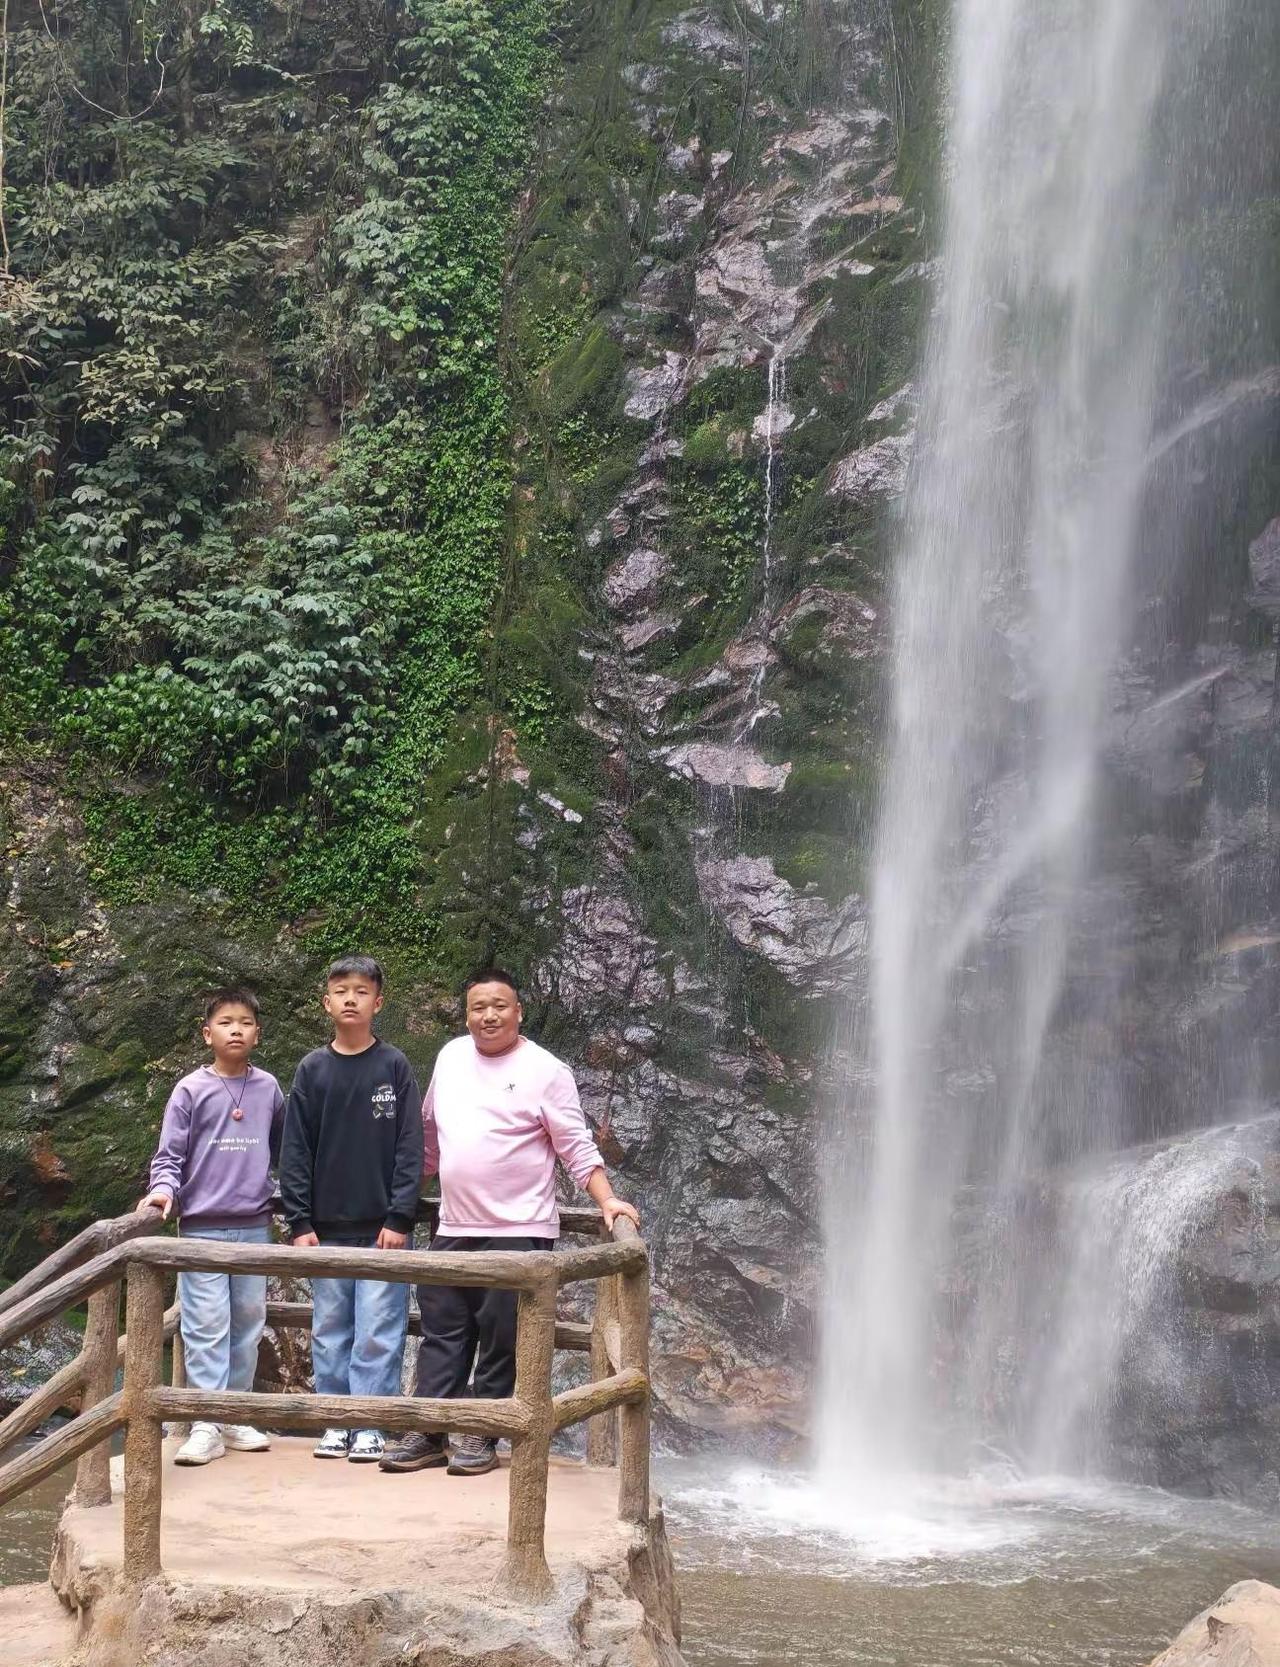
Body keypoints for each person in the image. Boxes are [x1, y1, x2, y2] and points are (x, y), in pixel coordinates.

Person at [380, 967, 639, 1478]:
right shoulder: (451, 1057)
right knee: (442, 1331)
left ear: (518, 1011)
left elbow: (574, 1145)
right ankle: (428, 1431)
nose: (489, 1015)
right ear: (466, 1015)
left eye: (499, 1005)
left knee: (501, 1336)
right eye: (478, 1007)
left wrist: (608, 1200)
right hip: (454, 1225)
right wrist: (396, 1203)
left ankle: (482, 1432)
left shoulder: (546, 1070)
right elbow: (429, 1139)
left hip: (519, 1228)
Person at [280, 954, 423, 1464]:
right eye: (341, 991)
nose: (350, 999)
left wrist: (400, 1216)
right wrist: (299, 1220)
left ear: (378, 1003)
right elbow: (295, 1149)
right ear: (326, 1002)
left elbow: (410, 1145)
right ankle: (335, 1420)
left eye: (361, 992)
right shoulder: (312, 1070)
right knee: (330, 1328)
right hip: (325, 1228)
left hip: (383, 1228)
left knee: (380, 1329)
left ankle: (370, 1423)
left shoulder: (394, 1066)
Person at [139, 987, 285, 1468]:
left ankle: (234, 1414)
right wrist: (163, 1190)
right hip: (201, 1225)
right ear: (207, 1034)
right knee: (205, 1324)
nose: (235, 1030)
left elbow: (284, 1148)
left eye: (245, 1022)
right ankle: (205, 1422)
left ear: (257, 1033)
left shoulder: (268, 1088)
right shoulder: (190, 1089)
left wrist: (288, 1194)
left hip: (255, 1224)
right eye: (225, 1022)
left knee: (248, 1322)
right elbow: (170, 1154)